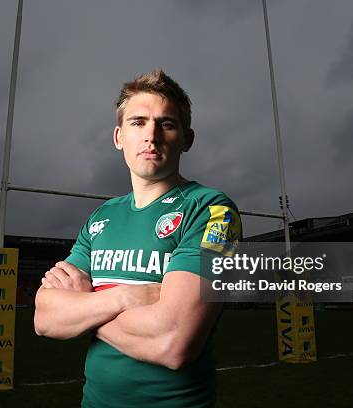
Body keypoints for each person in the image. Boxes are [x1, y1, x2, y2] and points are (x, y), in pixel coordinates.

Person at [34, 69, 242, 407]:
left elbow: (175, 342)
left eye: (167, 124)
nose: (152, 135)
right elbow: (44, 317)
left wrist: (84, 310)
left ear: (187, 139)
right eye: (138, 122)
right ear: (118, 137)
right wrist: (124, 298)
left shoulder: (215, 211)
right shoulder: (100, 219)